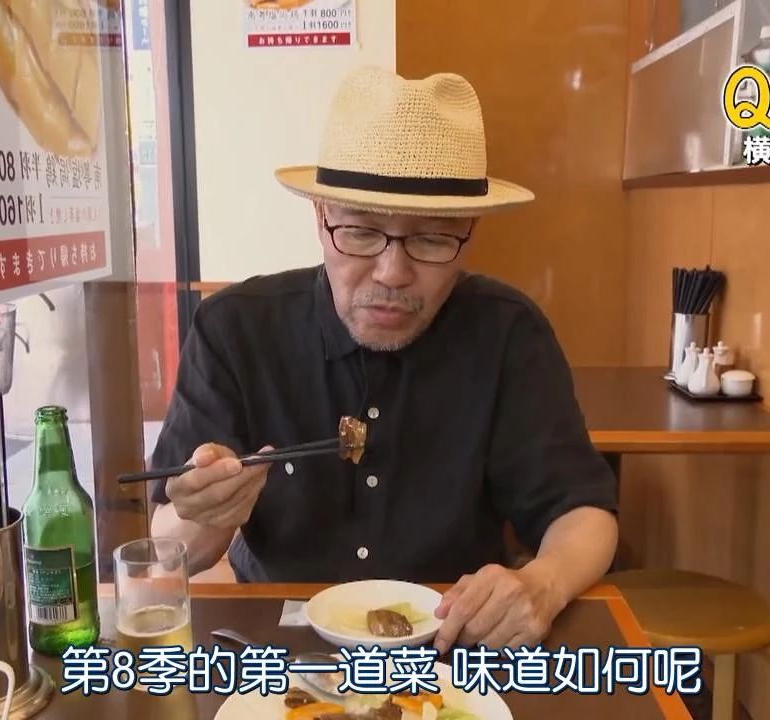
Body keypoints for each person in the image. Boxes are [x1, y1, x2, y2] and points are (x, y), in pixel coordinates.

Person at [148, 66, 618, 652]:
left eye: (431, 238)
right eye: (361, 232)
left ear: (468, 232)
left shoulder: (507, 334)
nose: (393, 273)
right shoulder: (236, 329)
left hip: (453, 639)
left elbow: (583, 511)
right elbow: (172, 548)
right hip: (281, 641)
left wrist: (543, 582)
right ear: (321, 218)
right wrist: (205, 513)